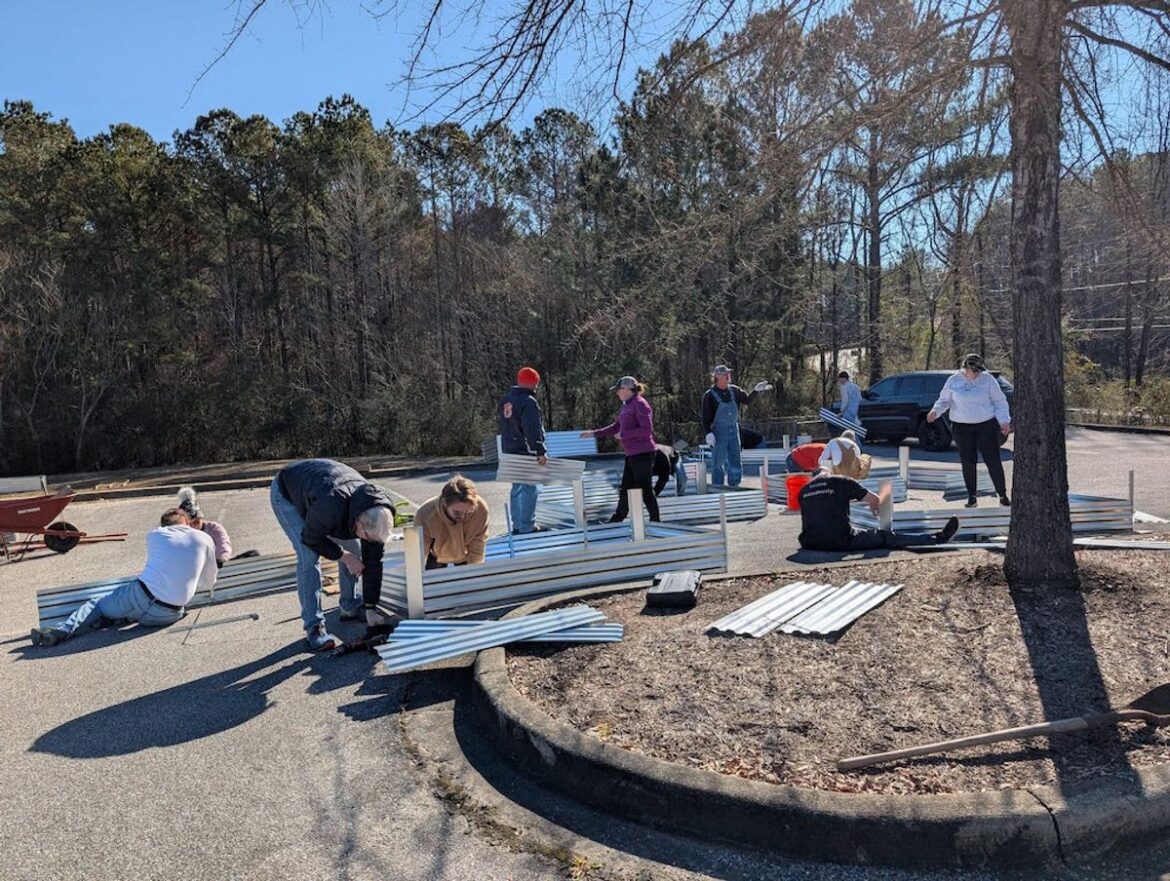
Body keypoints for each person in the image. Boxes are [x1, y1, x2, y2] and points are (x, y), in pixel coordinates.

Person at [29, 508, 217, 647]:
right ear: (186, 522)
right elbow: (208, 581)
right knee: (136, 601)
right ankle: (117, 619)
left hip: (142, 598)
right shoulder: (204, 538)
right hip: (170, 614)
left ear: (162, 525)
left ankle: (60, 631)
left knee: (98, 604)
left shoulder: (155, 535)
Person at [270, 458, 397, 652]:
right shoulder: (331, 506)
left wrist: (371, 608)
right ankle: (314, 626)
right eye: (367, 536)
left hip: (321, 492)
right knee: (309, 556)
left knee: (355, 549)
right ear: (358, 524)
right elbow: (311, 538)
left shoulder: (378, 509)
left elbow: (373, 563)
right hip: (287, 491)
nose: (369, 541)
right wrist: (344, 557)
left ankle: (350, 606)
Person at [798, 469, 960, 552]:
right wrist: (873, 507)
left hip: (809, 543)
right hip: (840, 542)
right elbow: (875, 499)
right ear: (829, 473)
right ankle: (936, 539)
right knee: (886, 537)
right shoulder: (840, 481)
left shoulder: (804, 491)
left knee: (858, 532)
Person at [926, 353, 1012, 508]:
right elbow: (944, 401)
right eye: (974, 371)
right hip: (962, 426)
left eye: (979, 371)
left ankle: (1002, 495)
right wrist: (935, 412)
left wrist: (1004, 421)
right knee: (968, 462)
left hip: (986, 424)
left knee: (992, 460)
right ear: (965, 369)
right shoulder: (954, 380)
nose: (976, 374)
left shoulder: (988, 380)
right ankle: (971, 497)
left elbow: (1000, 401)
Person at [581, 376, 660, 523]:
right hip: (632, 454)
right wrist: (594, 433)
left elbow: (647, 430)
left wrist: (624, 435)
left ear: (627, 389)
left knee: (645, 489)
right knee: (625, 488)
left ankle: (656, 520)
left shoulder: (640, 404)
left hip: (643, 453)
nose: (617, 393)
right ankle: (618, 518)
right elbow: (616, 426)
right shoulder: (627, 405)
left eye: (618, 390)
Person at [700, 365, 774, 488]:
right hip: (718, 433)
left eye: (728, 373)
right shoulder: (709, 395)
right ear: (717, 376)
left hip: (734, 431)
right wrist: (708, 433)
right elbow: (705, 418)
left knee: (735, 460)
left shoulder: (734, 390)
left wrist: (756, 391)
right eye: (725, 374)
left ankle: (734, 486)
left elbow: (747, 400)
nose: (728, 376)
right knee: (718, 463)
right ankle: (717, 489)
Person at [498, 366, 548, 535]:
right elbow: (531, 428)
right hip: (525, 450)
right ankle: (527, 525)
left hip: (509, 449)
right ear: (534, 383)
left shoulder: (506, 399)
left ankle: (517, 524)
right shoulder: (528, 401)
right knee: (531, 487)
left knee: (517, 487)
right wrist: (539, 449)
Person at [414, 475, 490, 570]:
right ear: (445, 504)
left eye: (468, 512)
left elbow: (478, 548)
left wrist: (474, 574)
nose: (462, 517)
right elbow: (418, 552)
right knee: (433, 582)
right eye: (457, 512)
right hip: (435, 554)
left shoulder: (481, 510)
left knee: (470, 579)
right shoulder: (425, 513)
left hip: (465, 553)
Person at [177, 486, 233, 568]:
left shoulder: (214, 528)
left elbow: (223, 544)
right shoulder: (179, 534)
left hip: (214, 567)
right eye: (189, 524)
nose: (193, 527)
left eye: (197, 522)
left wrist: (222, 558)